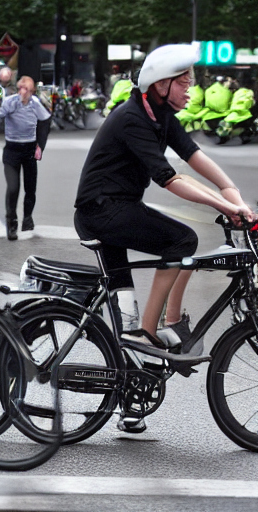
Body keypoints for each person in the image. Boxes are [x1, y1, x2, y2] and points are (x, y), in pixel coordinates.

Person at [74, 44, 255, 433]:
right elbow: (170, 179)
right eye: (184, 80)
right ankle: (162, 327)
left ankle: (132, 401)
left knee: (126, 316)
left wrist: (231, 192)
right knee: (181, 241)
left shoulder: (162, 115)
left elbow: (194, 157)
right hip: (103, 211)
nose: (191, 86)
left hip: (112, 211)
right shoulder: (132, 118)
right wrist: (222, 207)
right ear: (161, 84)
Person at [0, 76, 52, 240]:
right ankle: (11, 224)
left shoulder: (35, 103)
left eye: (27, 90)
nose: (23, 93)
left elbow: (45, 121)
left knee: (30, 187)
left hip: (29, 149)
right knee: (13, 187)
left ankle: (27, 218)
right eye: (21, 89)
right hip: (12, 149)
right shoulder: (11, 102)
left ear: (32, 92)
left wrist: (40, 145)